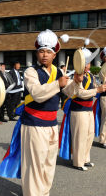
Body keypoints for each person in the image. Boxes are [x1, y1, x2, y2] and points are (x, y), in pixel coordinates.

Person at [21, 29, 77, 195]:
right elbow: (37, 94)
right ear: (37, 54)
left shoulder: (59, 72)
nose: (44, 55)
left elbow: (70, 92)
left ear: (54, 55)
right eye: (41, 51)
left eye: (48, 52)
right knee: (35, 165)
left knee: (49, 163)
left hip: (52, 124)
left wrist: (77, 81)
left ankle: (44, 193)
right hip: (34, 124)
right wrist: (58, 84)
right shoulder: (30, 72)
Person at [62, 48, 106, 171]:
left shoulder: (91, 75)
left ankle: (85, 159)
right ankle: (77, 161)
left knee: (89, 135)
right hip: (78, 110)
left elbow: (96, 87)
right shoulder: (76, 76)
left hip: (88, 110)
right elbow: (80, 93)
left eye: (89, 63)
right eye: (85, 63)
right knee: (80, 136)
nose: (88, 65)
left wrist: (105, 83)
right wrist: (97, 90)